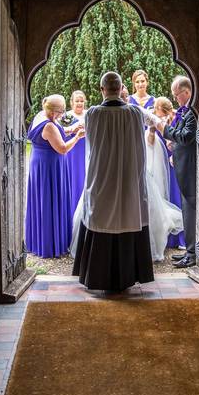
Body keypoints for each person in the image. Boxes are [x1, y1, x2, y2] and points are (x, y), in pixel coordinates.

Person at [72, 71, 155, 291]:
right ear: (121, 89)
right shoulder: (135, 113)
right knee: (127, 214)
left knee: (101, 217)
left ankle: (98, 276)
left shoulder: (92, 114)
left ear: (102, 90)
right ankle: (128, 276)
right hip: (129, 180)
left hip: (102, 180)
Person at [25, 94, 84, 258]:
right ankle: (50, 244)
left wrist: (70, 129)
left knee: (43, 201)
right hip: (49, 167)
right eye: (61, 110)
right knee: (49, 200)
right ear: (53, 111)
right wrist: (77, 137)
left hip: (41, 164)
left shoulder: (40, 115)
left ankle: (38, 240)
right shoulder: (49, 125)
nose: (63, 113)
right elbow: (62, 148)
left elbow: (54, 132)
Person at [156, 76, 197, 268]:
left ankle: (192, 252)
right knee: (187, 208)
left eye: (176, 95)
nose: (174, 99)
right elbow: (181, 137)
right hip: (182, 164)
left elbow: (187, 137)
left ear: (186, 93)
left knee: (191, 208)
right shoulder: (184, 112)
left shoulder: (192, 113)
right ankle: (190, 251)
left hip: (190, 166)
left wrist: (165, 129)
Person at [152, 97, 186, 251]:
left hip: (174, 161)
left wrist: (174, 152)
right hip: (164, 162)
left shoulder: (177, 119)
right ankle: (170, 239)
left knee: (177, 197)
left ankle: (182, 239)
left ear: (165, 111)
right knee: (168, 197)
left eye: (159, 113)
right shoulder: (157, 122)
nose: (157, 116)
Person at [63, 90, 88, 219]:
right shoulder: (67, 117)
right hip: (71, 153)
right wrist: (72, 130)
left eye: (81, 101)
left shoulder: (89, 115)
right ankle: (71, 213)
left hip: (85, 152)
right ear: (71, 102)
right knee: (72, 180)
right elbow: (61, 135)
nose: (79, 103)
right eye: (77, 101)